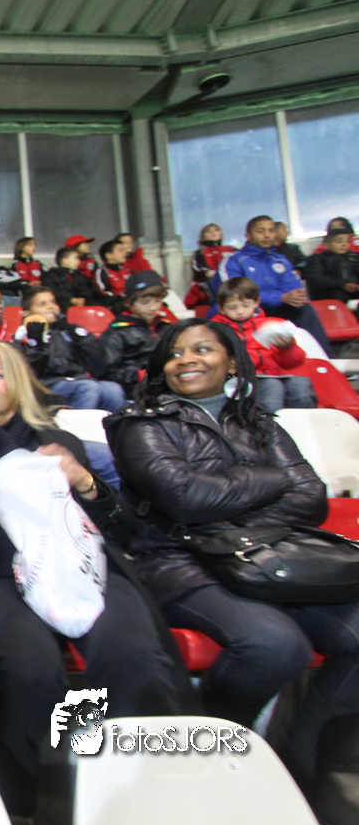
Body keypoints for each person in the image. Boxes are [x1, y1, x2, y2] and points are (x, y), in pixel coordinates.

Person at [0, 339, 183, 818]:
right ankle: (11, 810)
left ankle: (138, 798)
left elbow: (122, 529)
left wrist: (85, 482)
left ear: (17, 384)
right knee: (29, 669)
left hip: (80, 567)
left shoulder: (60, 444)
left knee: (133, 655)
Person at [105, 317, 359, 790]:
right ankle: (204, 753)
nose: (186, 360)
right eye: (175, 353)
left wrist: (226, 505)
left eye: (202, 349)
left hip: (268, 558)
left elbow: (312, 499)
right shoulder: (140, 424)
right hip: (181, 562)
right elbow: (184, 498)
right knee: (276, 646)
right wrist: (271, 481)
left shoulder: (258, 423)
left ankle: (299, 767)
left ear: (231, 362)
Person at [212, 214, 331, 356]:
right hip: (243, 312)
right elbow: (232, 295)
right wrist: (280, 297)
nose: (267, 235)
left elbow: (293, 287)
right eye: (261, 231)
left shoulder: (280, 260)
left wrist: (294, 297)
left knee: (305, 310)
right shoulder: (233, 261)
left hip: (276, 310)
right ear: (248, 236)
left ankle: (322, 361)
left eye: (271, 230)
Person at [211, 277, 316, 413]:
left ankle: (306, 424)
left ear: (256, 303)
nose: (240, 311)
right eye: (232, 307)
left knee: (301, 387)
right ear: (221, 308)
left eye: (246, 306)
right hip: (242, 379)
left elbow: (294, 362)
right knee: (272, 388)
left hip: (276, 375)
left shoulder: (272, 325)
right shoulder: (216, 330)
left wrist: (287, 347)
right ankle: (269, 425)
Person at [15, 286, 125, 412]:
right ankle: (78, 425)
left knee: (112, 389)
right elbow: (31, 372)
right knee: (87, 387)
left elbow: (97, 367)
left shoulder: (66, 331)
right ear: (27, 313)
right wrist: (36, 340)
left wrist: (82, 338)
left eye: (53, 302)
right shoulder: (22, 335)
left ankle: (116, 424)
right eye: (42, 304)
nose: (51, 307)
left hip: (75, 380)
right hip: (45, 384)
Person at [101, 271, 171, 392]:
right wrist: (137, 375)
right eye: (145, 302)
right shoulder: (118, 332)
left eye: (157, 301)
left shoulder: (166, 327)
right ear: (130, 303)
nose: (153, 307)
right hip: (136, 388)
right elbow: (108, 372)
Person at [186, 222, 237, 309]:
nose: (213, 233)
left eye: (216, 230)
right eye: (208, 231)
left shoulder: (231, 250)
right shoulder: (200, 253)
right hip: (210, 281)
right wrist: (207, 273)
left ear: (221, 233)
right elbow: (197, 268)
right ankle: (219, 306)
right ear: (203, 236)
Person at [305, 226, 359, 302]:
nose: (344, 244)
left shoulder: (355, 257)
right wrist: (342, 285)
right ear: (326, 245)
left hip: (353, 291)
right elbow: (316, 279)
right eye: (339, 242)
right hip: (328, 292)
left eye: (347, 241)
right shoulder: (317, 258)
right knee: (337, 295)